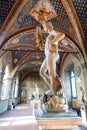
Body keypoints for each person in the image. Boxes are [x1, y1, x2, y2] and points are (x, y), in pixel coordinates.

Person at [39, 21, 65, 95]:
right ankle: (53, 87)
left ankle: (54, 94)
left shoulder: (52, 32)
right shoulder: (49, 35)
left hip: (52, 54)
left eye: (44, 26)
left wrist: (52, 42)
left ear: (47, 26)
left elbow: (62, 34)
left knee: (52, 75)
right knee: (42, 72)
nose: (43, 29)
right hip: (48, 55)